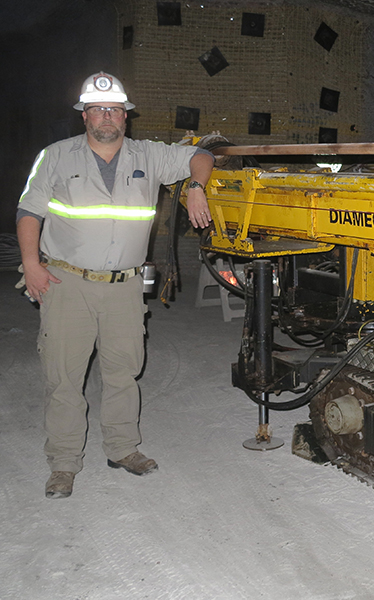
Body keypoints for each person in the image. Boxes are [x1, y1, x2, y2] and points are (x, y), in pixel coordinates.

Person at [17, 72, 215, 499]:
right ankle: (64, 463)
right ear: (84, 115)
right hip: (66, 282)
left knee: (124, 370)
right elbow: (28, 212)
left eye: (115, 110)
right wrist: (31, 264)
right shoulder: (54, 157)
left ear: (125, 117)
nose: (107, 116)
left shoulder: (149, 155)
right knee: (64, 377)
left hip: (125, 287)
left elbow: (201, 155)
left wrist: (196, 187)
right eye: (98, 109)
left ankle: (123, 449)